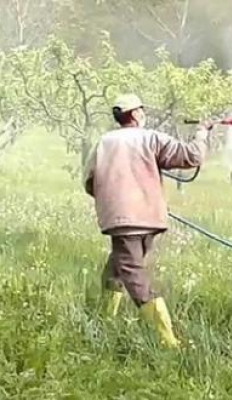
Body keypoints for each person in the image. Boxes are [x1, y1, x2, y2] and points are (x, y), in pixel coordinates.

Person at [83, 93, 212, 348]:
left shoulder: (104, 142)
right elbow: (191, 157)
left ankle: (167, 340)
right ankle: (108, 322)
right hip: (149, 219)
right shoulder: (152, 138)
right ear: (136, 114)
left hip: (121, 219)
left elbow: (90, 181)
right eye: (142, 110)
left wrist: (111, 198)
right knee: (118, 268)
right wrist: (201, 135)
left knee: (131, 273)